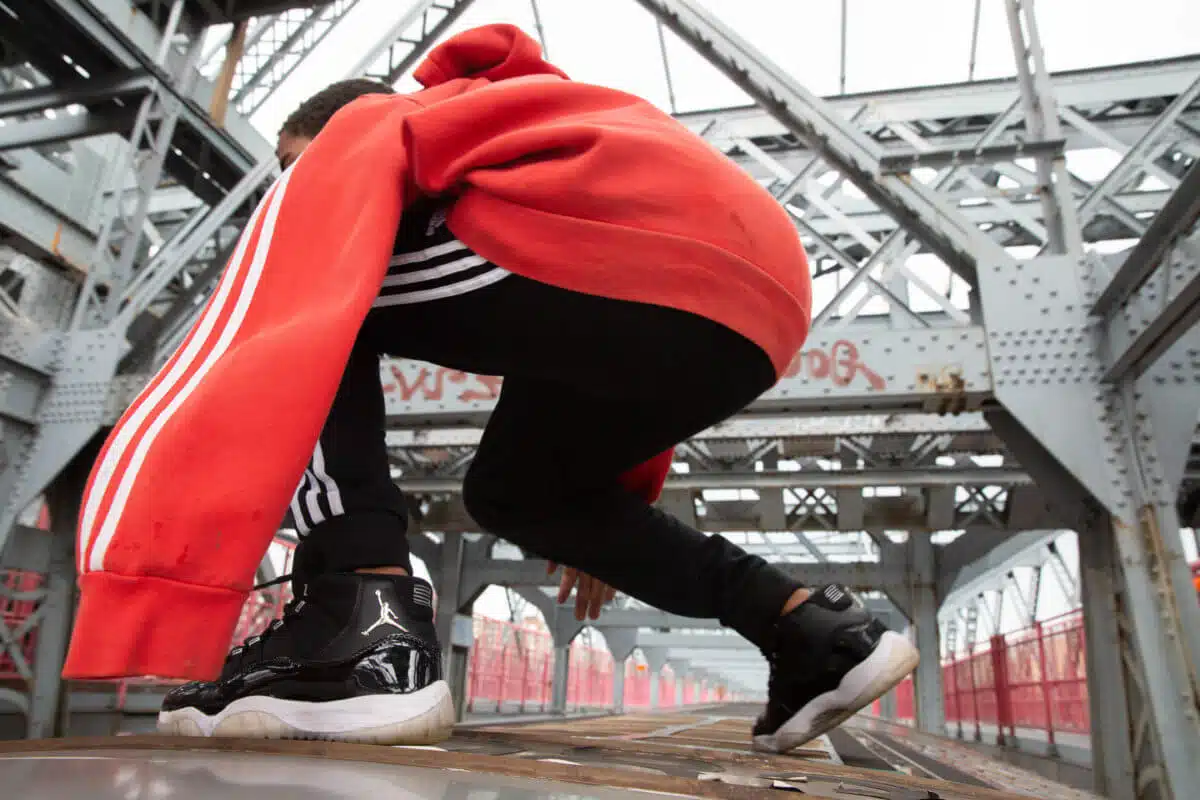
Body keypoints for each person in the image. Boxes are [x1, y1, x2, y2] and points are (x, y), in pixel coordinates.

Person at [63, 24, 918, 753]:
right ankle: (810, 629)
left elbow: (290, 293)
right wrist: (602, 512)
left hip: (618, 262)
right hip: (756, 301)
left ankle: (355, 617)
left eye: (297, 171)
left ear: (322, 146)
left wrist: (148, 574)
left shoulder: (374, 123)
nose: (295, 190)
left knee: (304, 281)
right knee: (518, 494)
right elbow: (640, 303)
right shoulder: (526, 142)